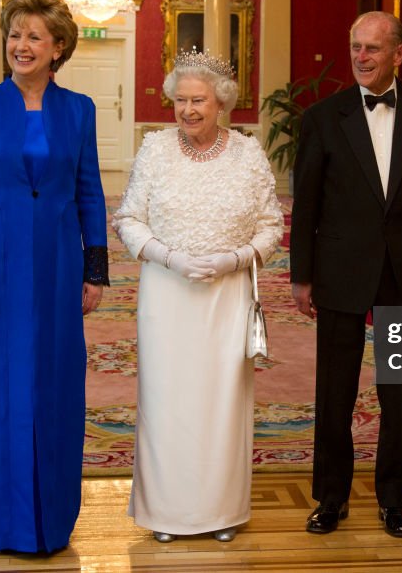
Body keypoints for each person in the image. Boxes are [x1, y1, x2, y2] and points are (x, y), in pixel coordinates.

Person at [0, 0, 109, 553]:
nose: (22, 45)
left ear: (59, 47)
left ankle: (48, 517)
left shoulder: (79, 109)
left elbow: (89, 190)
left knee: (54, 383)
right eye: (15, 35)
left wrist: (95, 267)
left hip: (57, 267)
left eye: (35, 36)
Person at [290, 11, 402, 538]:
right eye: (355, 47)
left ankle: (394, 500)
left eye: (372, 49)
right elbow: (308, 204)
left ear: (398, 54)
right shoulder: (322, 117)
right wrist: (301, 274)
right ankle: (331, 497)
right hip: (338, 271)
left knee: (398, 393)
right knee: (334, 393)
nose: (360, 57)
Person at [112, 50, 283, 544]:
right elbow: (128, 219)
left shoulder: (248, 153)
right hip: (166, 293)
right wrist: (170, 258)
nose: (188, 110)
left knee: (222, 402)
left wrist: (234, 259)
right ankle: (165, 512)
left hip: (226, 296)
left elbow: (272, 225)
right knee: (166, 401)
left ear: (221, 102)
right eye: (180, 100)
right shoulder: (155, 150)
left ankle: (221, 511)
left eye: (198, 101)